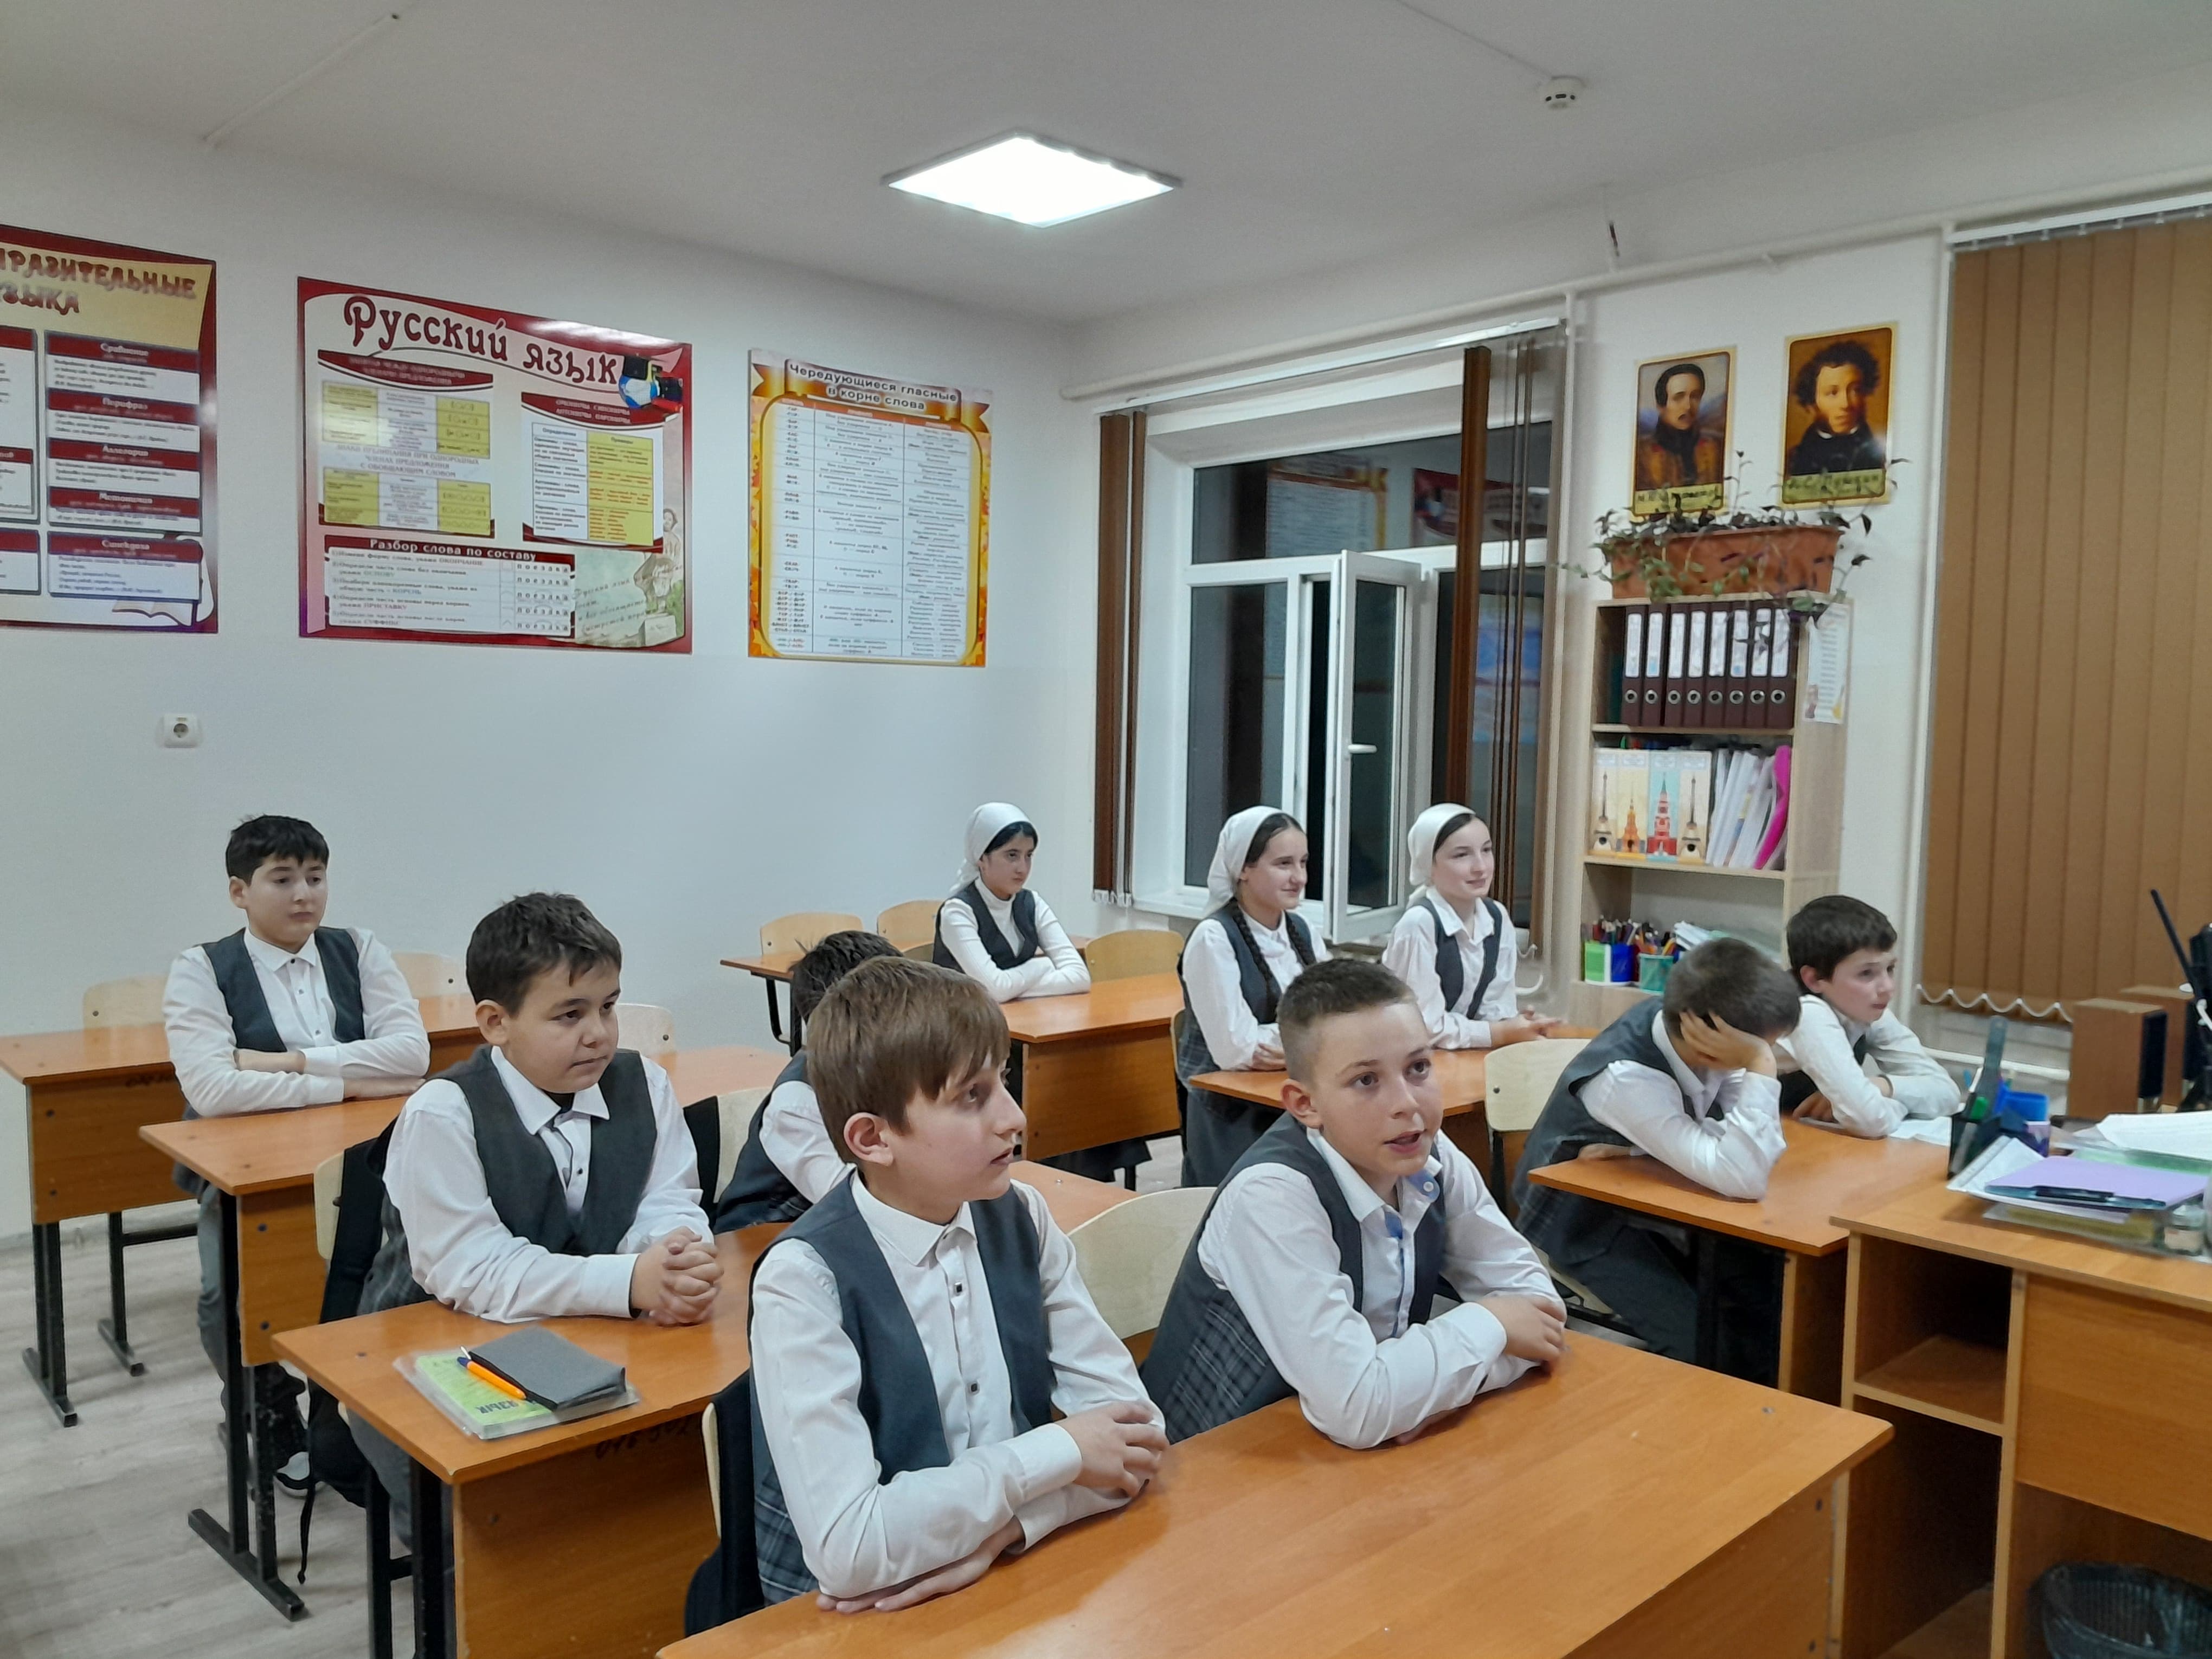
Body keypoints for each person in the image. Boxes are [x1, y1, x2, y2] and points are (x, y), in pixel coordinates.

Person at [748, 957, 1164, 1611]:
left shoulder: (1022, 1215)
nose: (1014, 1117)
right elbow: (851, 1552)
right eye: (972, 1096)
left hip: (1009, 1574)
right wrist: (1060, 1450)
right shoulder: (804, 1279)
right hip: (869, 1615)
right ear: (873, 1138)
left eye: (1004, 1082)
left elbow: (1137, 1435)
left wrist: (1011, 1529)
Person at [353, 892, 719, 1541]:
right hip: (436, 1351)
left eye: (608, 1006)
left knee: (657, 1486)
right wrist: (630, 1282)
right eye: (569, 1015)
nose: (598, 1032)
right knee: (490, 1536)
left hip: (588, 1337)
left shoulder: (645, 1084)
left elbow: (666, 1197)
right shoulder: (444, 1113)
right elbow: (474, 1269)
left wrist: (673, 1256)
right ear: (496, 1023)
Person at [1143, 958, 1566, 1445]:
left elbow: (1541, 1311)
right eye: (1367, 1081)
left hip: (1352, 1453)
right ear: (1305, 1104)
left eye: (1418, 1067)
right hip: (1219, 1464)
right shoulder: (1272, 1197)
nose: (1407, 1103)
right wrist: (1490, 1324)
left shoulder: (1430, 1153)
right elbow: (1358, 1408)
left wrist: (1422, 1397)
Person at [162, 814, 429, 1489]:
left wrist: (287, 1063)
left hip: (362, 1155)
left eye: (315, 877)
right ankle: (267, 1405)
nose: (304, 894)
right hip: (247, 1165)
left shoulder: (359, 949)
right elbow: (214, 1089)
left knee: (376, 1275)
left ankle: (355, 1411)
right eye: (282, 880)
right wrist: (351, 1081)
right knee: (230, 1296)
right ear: (240, 892)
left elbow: (413, 1056)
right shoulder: (201, 968)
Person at [1511, 938, 1800, 1381]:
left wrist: (1644, 1149)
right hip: (1582, 1223)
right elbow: (1745, 1175)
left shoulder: (1694, 1032)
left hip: (1658, 1201)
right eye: (1761, 1048)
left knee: (1769, 1303)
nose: (1765, 1057)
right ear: (1712, 1042)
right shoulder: (1627, 1077)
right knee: (1704, 1346)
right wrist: (1759, 1064)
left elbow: (1745, 1149)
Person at [1176, 806, 1330, 1186]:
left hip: (1293, 1093)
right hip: (1233, 1113)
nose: (1299, 878)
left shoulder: (1302, 930)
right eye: (1283, 864)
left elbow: (1339, 1019)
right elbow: (1236, 1049)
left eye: (1303, 863)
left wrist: (1293, 1049)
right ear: (1243, 868)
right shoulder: (1214, 938)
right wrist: (1310, 1043)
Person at [712, 929, 900, 1230]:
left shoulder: (888, 1069)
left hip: (841, 1228)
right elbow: (857, 1204)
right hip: (763, 1234)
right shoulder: (796, 1104)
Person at [1777, 895, 1960, 1137]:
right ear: (1814, 979)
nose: (1888, 988)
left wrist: (1881, 1086)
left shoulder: (1866, 1012)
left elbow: (1948, 1093)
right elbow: (1871, 1121)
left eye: (1890, 969)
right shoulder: (1806, 1014)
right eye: (1866, 974)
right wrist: (1893, 1104)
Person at [1382, 803, 1561, 1050]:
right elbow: (1425, 1027)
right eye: (1461, 855)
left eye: (1486, 850)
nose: (1480, 867)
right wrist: (1499, 1033)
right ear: (1428, 865)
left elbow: (1496, 1006)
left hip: (1459, 1056)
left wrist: (1514, 1024)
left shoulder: (1496, 916)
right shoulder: (1420, 924)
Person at [932, 803, 1091, 1002]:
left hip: (1019, 1016)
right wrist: (1042, 966)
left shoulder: (1032, 903)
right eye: (1012, 856)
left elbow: (1080, 977)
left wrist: (1010, 988)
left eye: (1029, 855)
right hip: (963, 1019)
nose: (1023, 868)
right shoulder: (958, 912)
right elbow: (994, 991)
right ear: (982, 858)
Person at [1785, 339, 1885, 480]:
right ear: (1812, 402)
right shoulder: (1797, 459)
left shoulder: (1880, 457)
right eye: (1832, 393)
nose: (1845, 404)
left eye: (1855, 391)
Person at [1632, 360, 1725, 497]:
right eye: (1678, 398)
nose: (1688, 406)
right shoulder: (1642, 455)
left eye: (1695, 397)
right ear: (1661, 406)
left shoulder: (1716, 446)